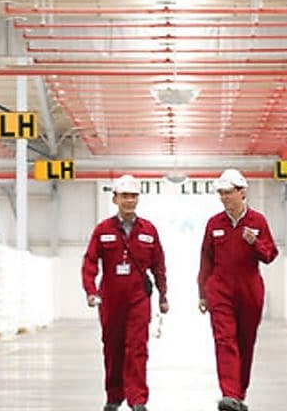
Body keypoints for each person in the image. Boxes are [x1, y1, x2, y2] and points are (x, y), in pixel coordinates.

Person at [82, 174, 169, 411]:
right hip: (110, 298)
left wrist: (163, 295)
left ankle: (137, 399)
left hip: (139, 298)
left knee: (137, 347)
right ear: (115, 199)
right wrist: (90, 291)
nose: (129, 201)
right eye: (125, 196)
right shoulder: (103, 230)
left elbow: (159, 265)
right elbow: (89, 262)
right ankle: (114, 396)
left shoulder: (148, 230)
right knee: (113, 347)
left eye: (133, 196)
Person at [198, 168, 279, 411]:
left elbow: (270, 255)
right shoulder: (214, 224)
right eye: (221, 193)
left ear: (242, 192)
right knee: (224, 341)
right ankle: (229, 393)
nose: (224, 198)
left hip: (249, 290)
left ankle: (239, 393)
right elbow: (206, 260)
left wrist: (255, 243)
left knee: (245, 342)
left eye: (228, 193)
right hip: (220, 289)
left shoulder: (258, 222)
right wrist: (202, 293)